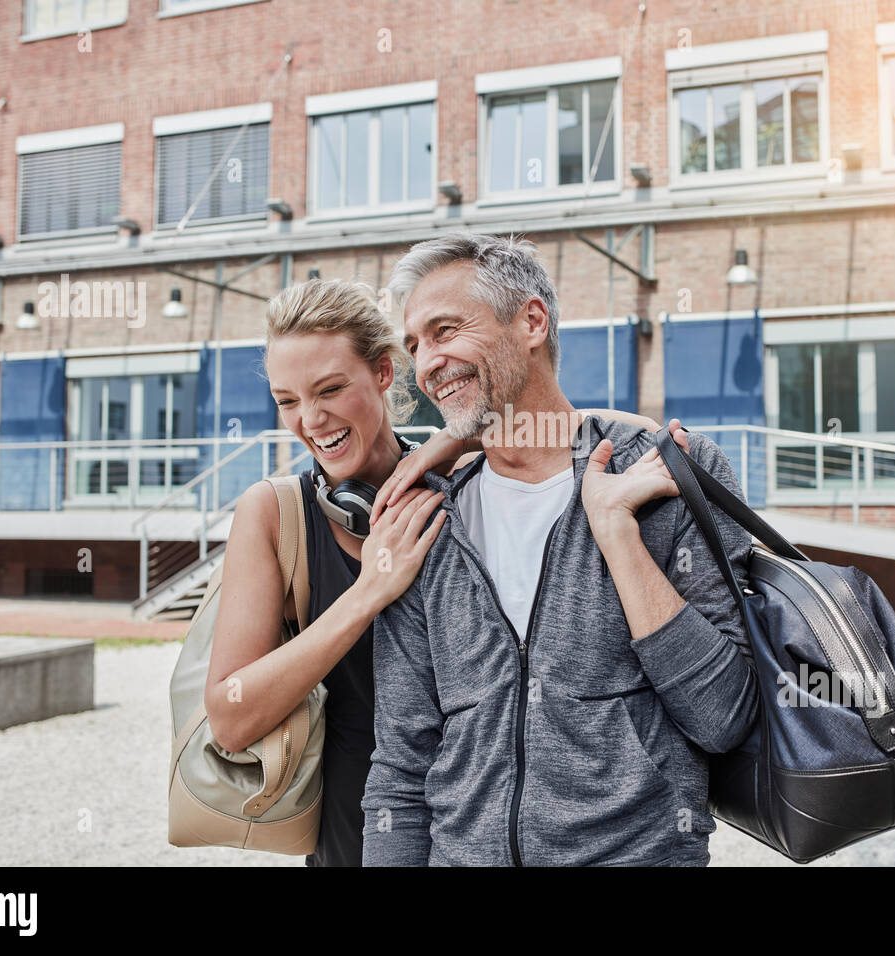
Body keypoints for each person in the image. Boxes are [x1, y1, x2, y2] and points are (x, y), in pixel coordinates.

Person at [203, 276, 660, 866]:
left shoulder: (463, 476)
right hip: (351, 832)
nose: (311, 420)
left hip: (474, 831)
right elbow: (230, 718)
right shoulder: (272, 513)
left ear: (385, 374)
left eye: (331, 389)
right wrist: (369, 592)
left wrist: (447, 441)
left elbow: (617, 432)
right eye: (288, 400)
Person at [360, 233, 759, 867]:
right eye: (415, 346)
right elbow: (402, 766)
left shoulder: (668, 476)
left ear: (532, 321)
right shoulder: (424, 522)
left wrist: (618, 536)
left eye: (445, 330)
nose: (427, 363)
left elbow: (723, 715)